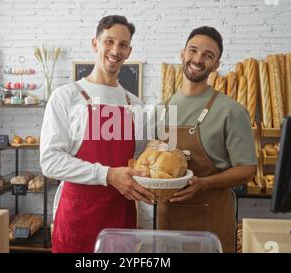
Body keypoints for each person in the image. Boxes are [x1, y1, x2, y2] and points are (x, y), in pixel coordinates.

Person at [40, 15, 154, 253]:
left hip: (121, 217)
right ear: (95, 44)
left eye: (123, 45)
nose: (115, 50)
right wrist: (109, 175)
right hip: (78, 218)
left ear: (129, 51)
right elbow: (50, 162)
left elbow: (141, 160)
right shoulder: (66, 96)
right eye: (109, 42)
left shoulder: (135, 104)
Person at [156, 26, 257, 253]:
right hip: (166, 222)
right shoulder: (162, 109)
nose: (198, 59)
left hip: (211, 223)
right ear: (182, 54)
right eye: (193, 51)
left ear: (216, 65)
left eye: (208, 55)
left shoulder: (231, 111)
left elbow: (247, 169)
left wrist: (203, 184)